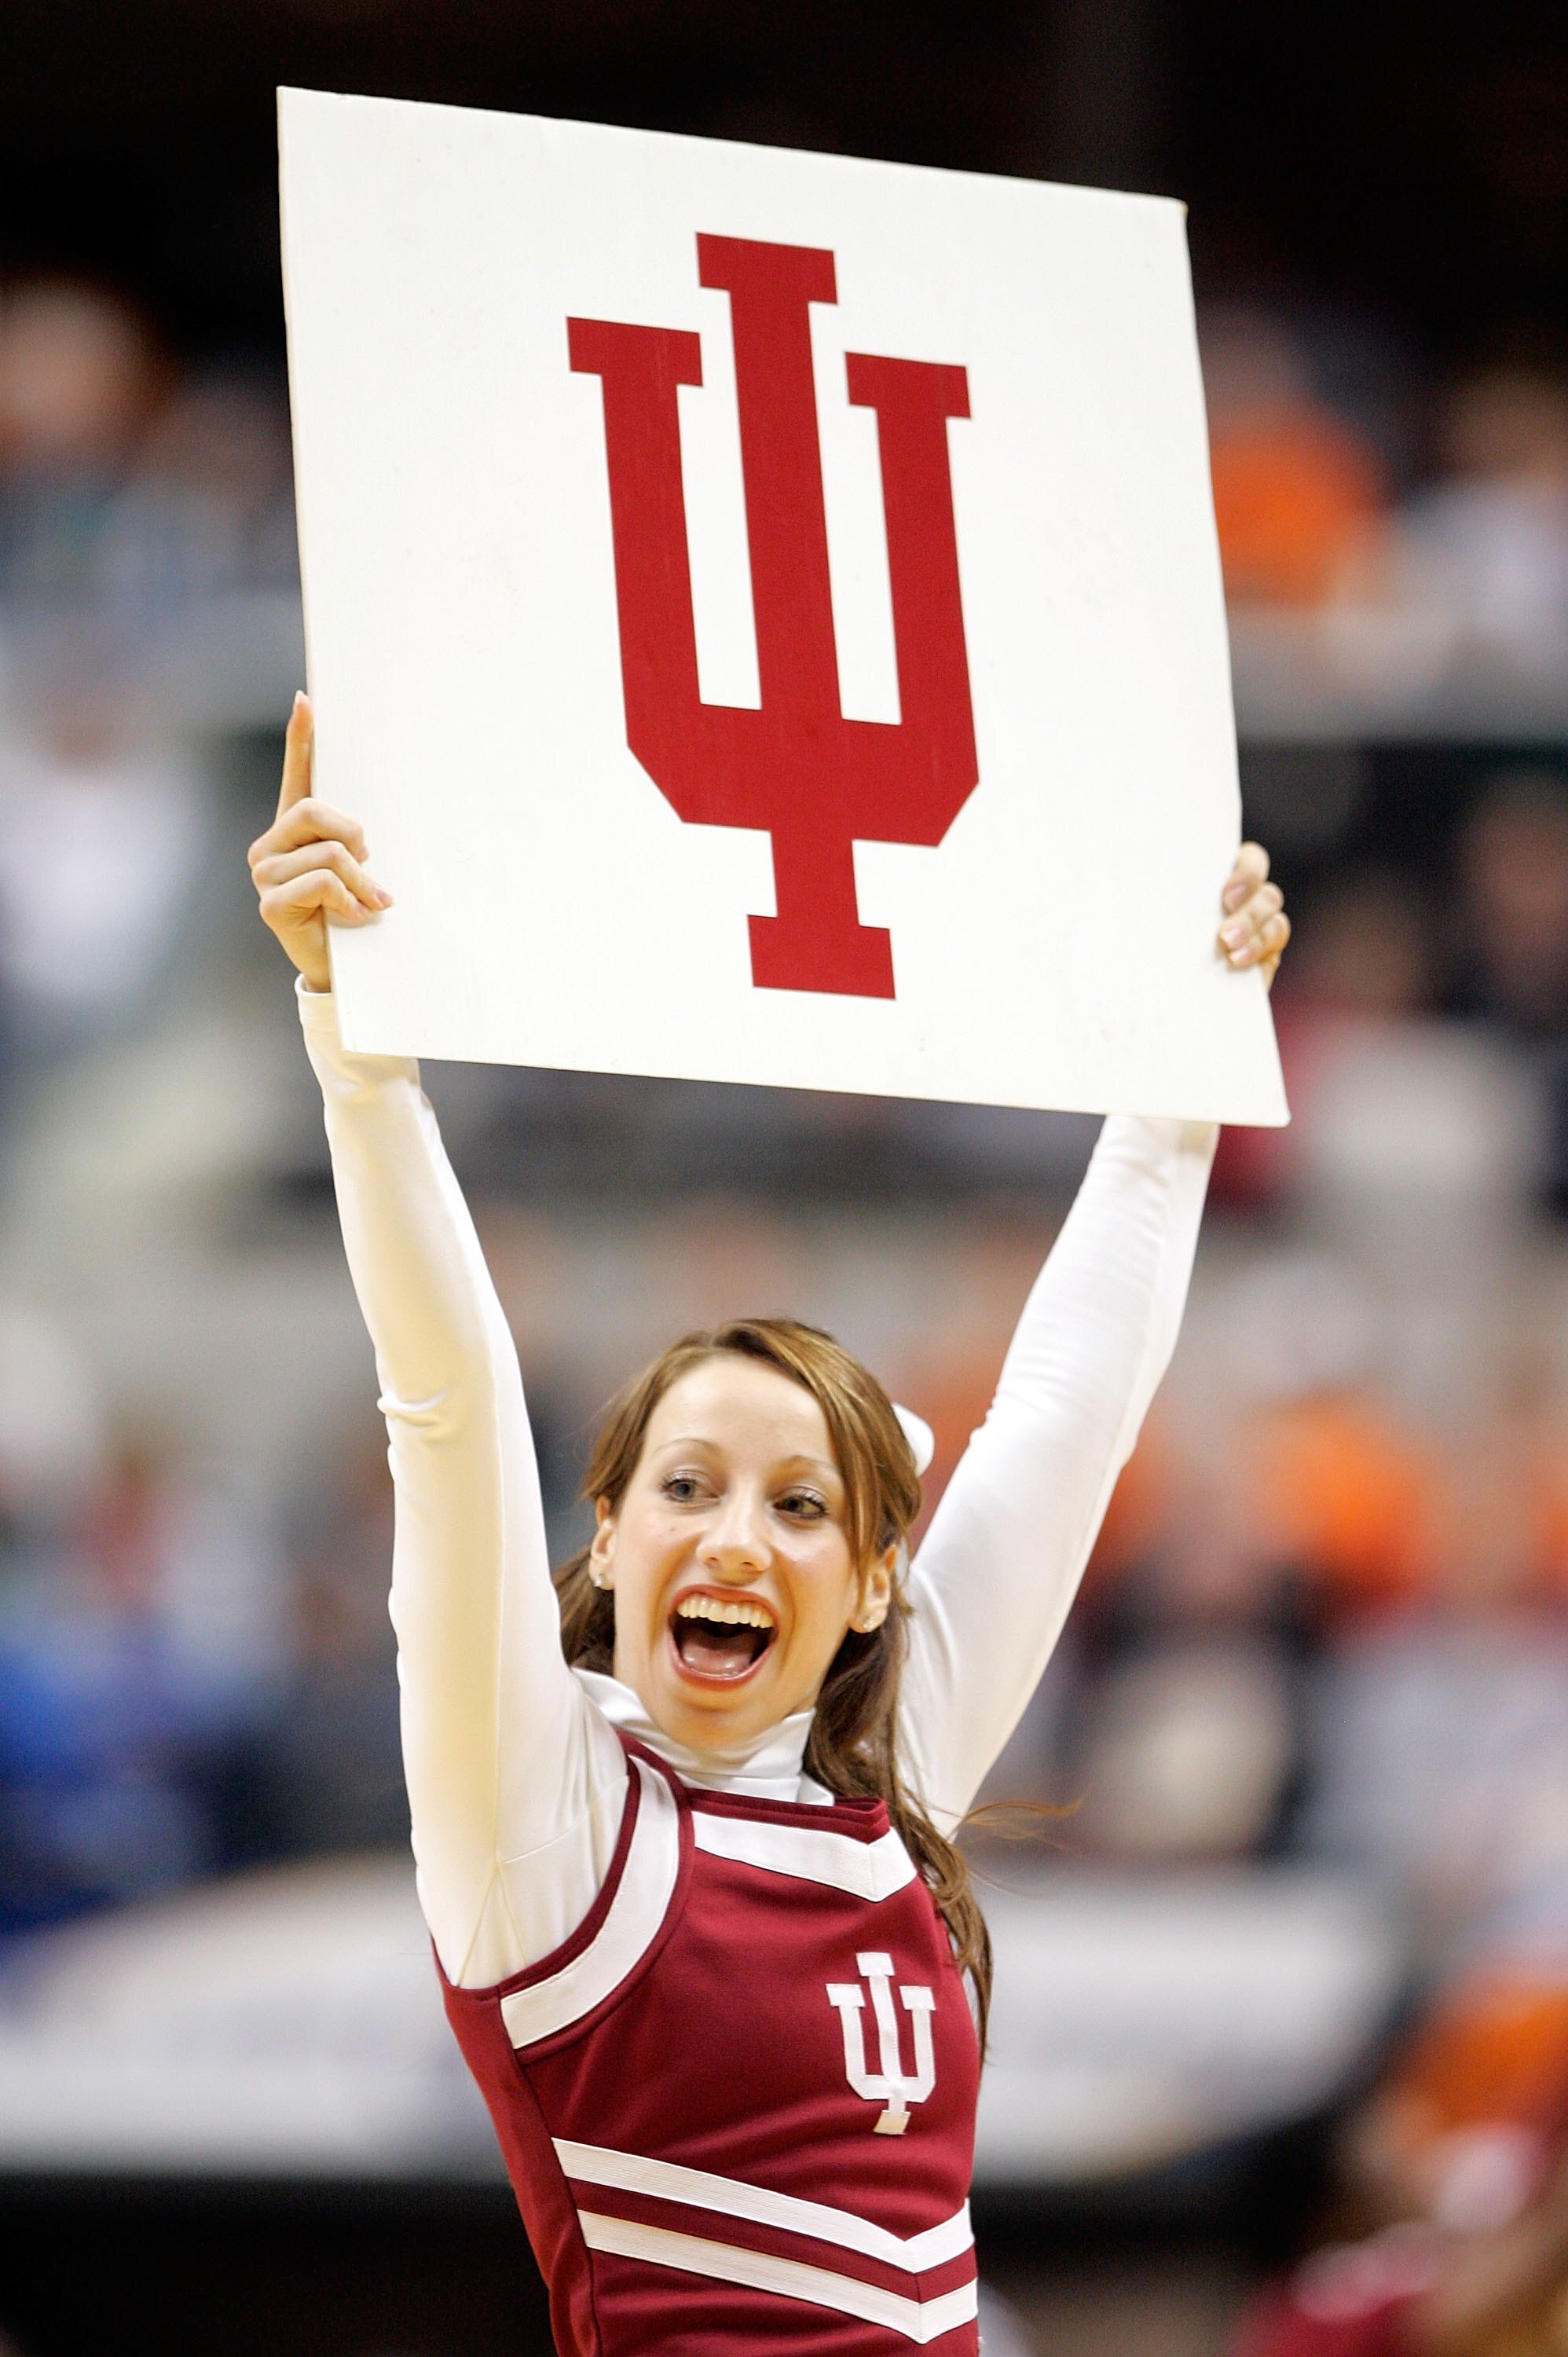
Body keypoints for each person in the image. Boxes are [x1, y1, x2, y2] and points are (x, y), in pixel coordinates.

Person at [248, 692, 1290, 2355]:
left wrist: (1182, 1062)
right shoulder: (546, 1818)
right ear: (601, 1535)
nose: (735, 1534)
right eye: (687, 1485)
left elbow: (1067, 1421)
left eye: (799, 1504)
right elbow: (444, 1407)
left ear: (876, 1576)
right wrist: (353, 1047)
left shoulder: (889, 1782)